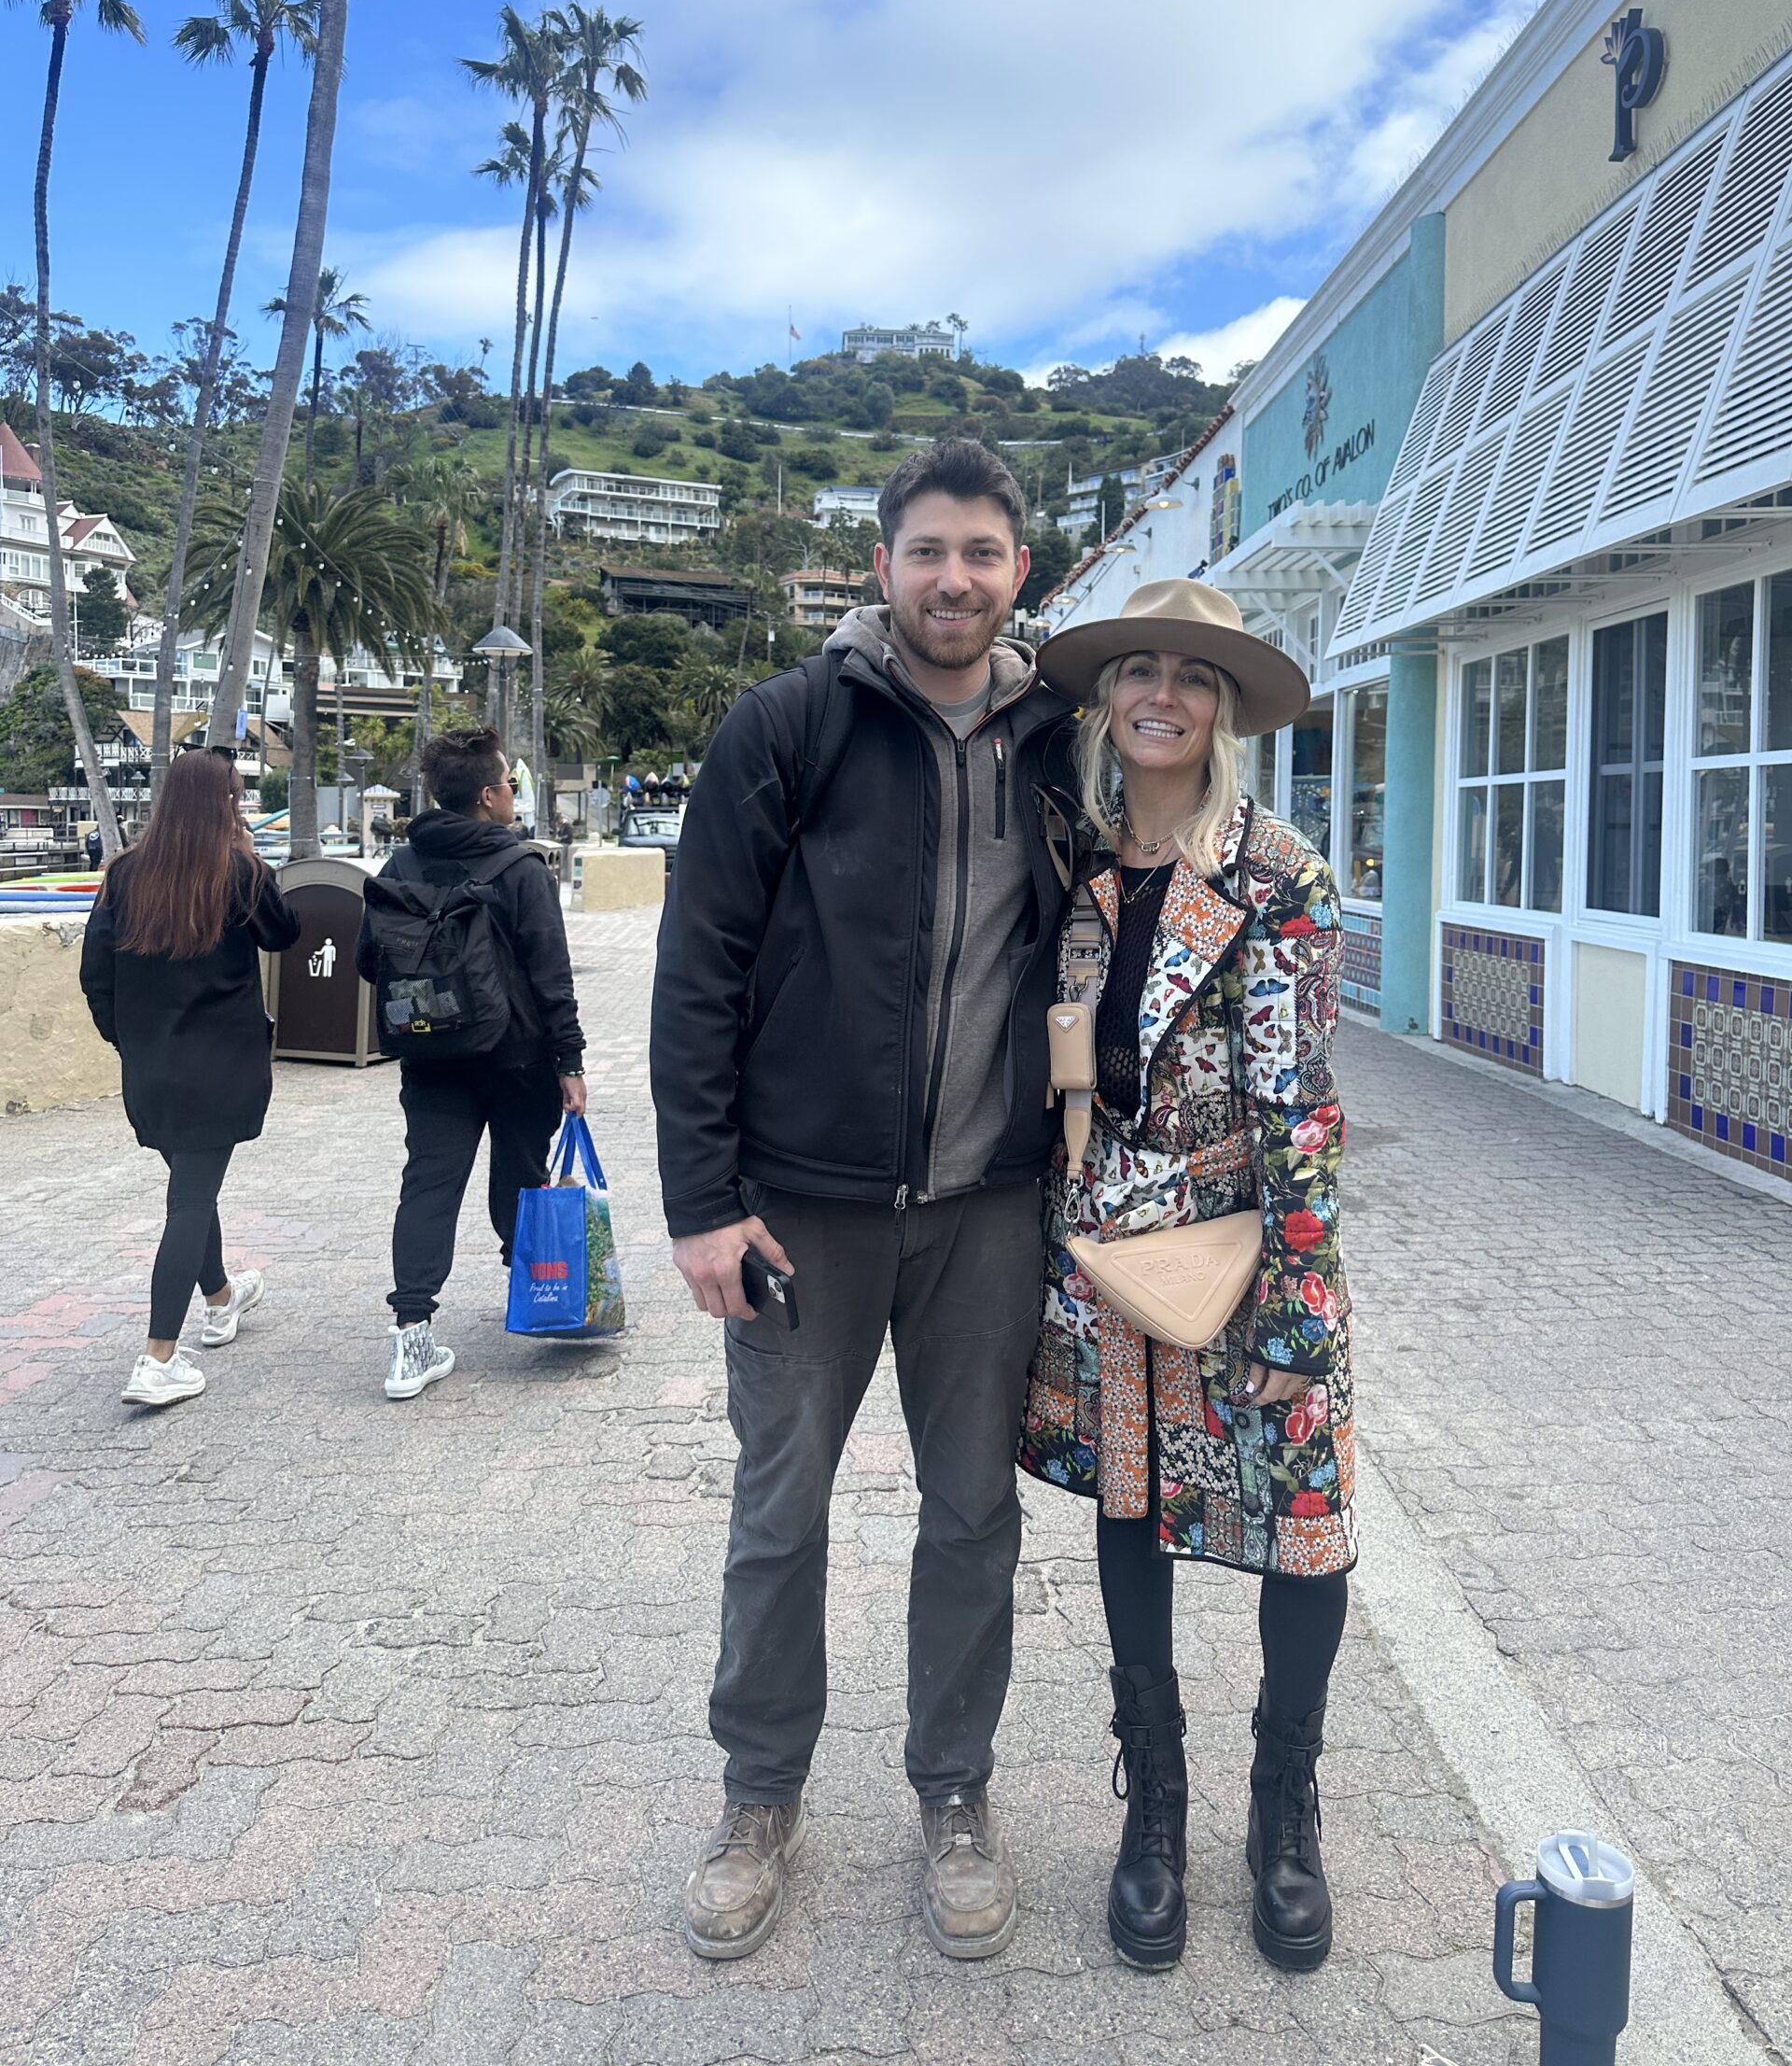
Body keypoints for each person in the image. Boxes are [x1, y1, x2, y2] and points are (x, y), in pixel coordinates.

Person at [651, 438, 1078, 1964]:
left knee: (973, 1518)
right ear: (881, 565)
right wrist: (701, 1200)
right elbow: (696, 966)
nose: (954, 578)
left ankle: (953, 1794)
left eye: (982, 551)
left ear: (1018, 569)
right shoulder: (787, 728)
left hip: (989, 1214)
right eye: (927, 551)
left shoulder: (1059, 744)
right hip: (801, 1213)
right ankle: (759, 1795)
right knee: (781, 1512)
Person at [1017, 580, 1353, 1977]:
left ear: (1223, 710)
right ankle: (1155, 1807)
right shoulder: (1078, 866)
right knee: (1133, 1506)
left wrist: (1301, 1306)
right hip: (1106, 1263)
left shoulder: (1277, 873)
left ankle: (1285, 1810)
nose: (1164, 693)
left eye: (1194, 677)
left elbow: (1303, 1100)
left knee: (1304, 1525)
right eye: (1140, 670)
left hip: (1246, 1249)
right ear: (1108, 698)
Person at [357, 726, 586, 1401]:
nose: (513, 794)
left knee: (429, 1184)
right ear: (488, 797)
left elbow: (372, 960)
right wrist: (569, 1059)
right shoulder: (520, 868)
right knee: (521, 1176)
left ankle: (411, 1338)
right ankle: (540, 1303)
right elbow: (552, 973)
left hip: (430, 1053)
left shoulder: (402, 865)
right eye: (510, 784)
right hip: (517, 1056)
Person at [79, 748, 302, 1408]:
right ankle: (157, 1359)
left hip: (151, 1069)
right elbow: (285, 934)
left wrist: (130, 1043)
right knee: (189, 1202)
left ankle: (223, 1297)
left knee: (190, 1189)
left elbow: (97, 977)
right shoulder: (237, 872)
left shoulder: (123, 874)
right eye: (236, 795)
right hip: (222, 1066)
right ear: (223, 803)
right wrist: (250, 855)